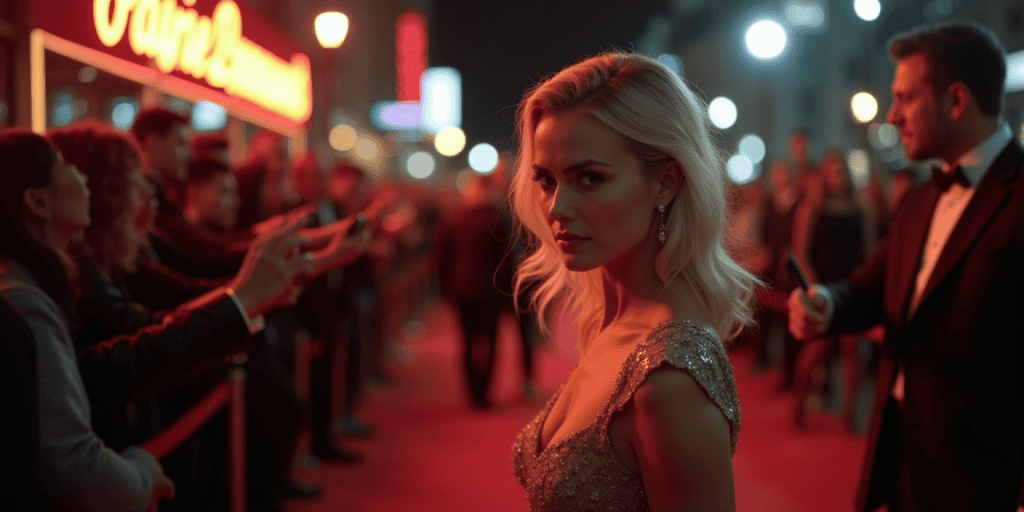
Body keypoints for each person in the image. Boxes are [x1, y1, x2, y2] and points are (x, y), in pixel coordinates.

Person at [788, 22, 1024, 512]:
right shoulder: (919, 199)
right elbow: (872, 288)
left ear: (955, 101)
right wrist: (826, 304)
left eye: (905, 98)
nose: (892, 115)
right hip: (896, 448)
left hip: (983, 475)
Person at [509, 52, 757, 510]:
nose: (557, 208)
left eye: (590, 178)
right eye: (545, 180)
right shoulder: (612, 318)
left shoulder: (670, 376)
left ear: (665, 183)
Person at [790, 151, 877, 432]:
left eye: (840, 171)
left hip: (853, 287)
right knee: (815, 352)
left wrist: (866, 287)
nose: (836, 177)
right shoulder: (812, 208)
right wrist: (813, 288)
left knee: (855, 355)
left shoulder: (863, 207)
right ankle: (798, 408)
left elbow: (872, 252)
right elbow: (800, 253)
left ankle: (850, 415)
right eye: (830, 172)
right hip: (823, 286)